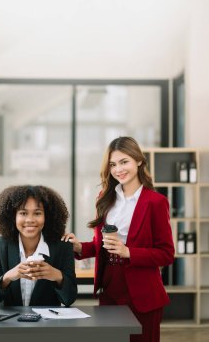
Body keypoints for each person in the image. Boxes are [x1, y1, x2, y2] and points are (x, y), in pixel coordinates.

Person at [62, 136, 175, 342]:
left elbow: (166, 254)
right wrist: (79, 247)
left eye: (124, 162)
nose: (118, 169)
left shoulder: (156, 202)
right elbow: (102, 246)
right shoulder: (104, 198)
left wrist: (128, 252)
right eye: (113, 164)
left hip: (142, 295)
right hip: (110, 289)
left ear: (139, 161)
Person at [0, 185, 77, 307]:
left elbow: (69, 299)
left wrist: (57, 275)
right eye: (23, 213)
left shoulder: (62, 247)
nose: (30, 219)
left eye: (37, 213)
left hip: (46, 324)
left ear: (47, 216)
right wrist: (7, 277)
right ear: (13, 216)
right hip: (9, 324)